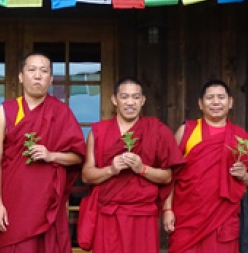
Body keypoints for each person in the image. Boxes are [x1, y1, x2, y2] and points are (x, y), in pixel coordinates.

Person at [0, 51, 87, 253]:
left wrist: (52, 155)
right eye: (31, 70)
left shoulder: (61, 112)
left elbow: (77, 156)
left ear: (51, 79)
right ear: (20, 76)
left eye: (44, 71)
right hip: (13, 204)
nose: (37, 75)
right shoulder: (6, 111)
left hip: (47, 205)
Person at [79, 78, 185, 253]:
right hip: (109, 215)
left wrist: (141, 169)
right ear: (114, 99)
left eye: (136, 97)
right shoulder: (99, 132)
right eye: (124, 96)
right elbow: (86, 175)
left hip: (143, 216)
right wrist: (111, 170)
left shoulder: (157, 131)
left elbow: (167, 176)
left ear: (143, 100)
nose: (130, 102)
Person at [163, 80, 248, 253]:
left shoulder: (239, 137)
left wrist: (243, 174)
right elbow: (169, 173)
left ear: (230, 102)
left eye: (221, 97)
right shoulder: (187, 131)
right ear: (200, 104)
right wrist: (167, 209)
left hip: (223, 220)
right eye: (210, 98)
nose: (216, 102)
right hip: (187, 217)